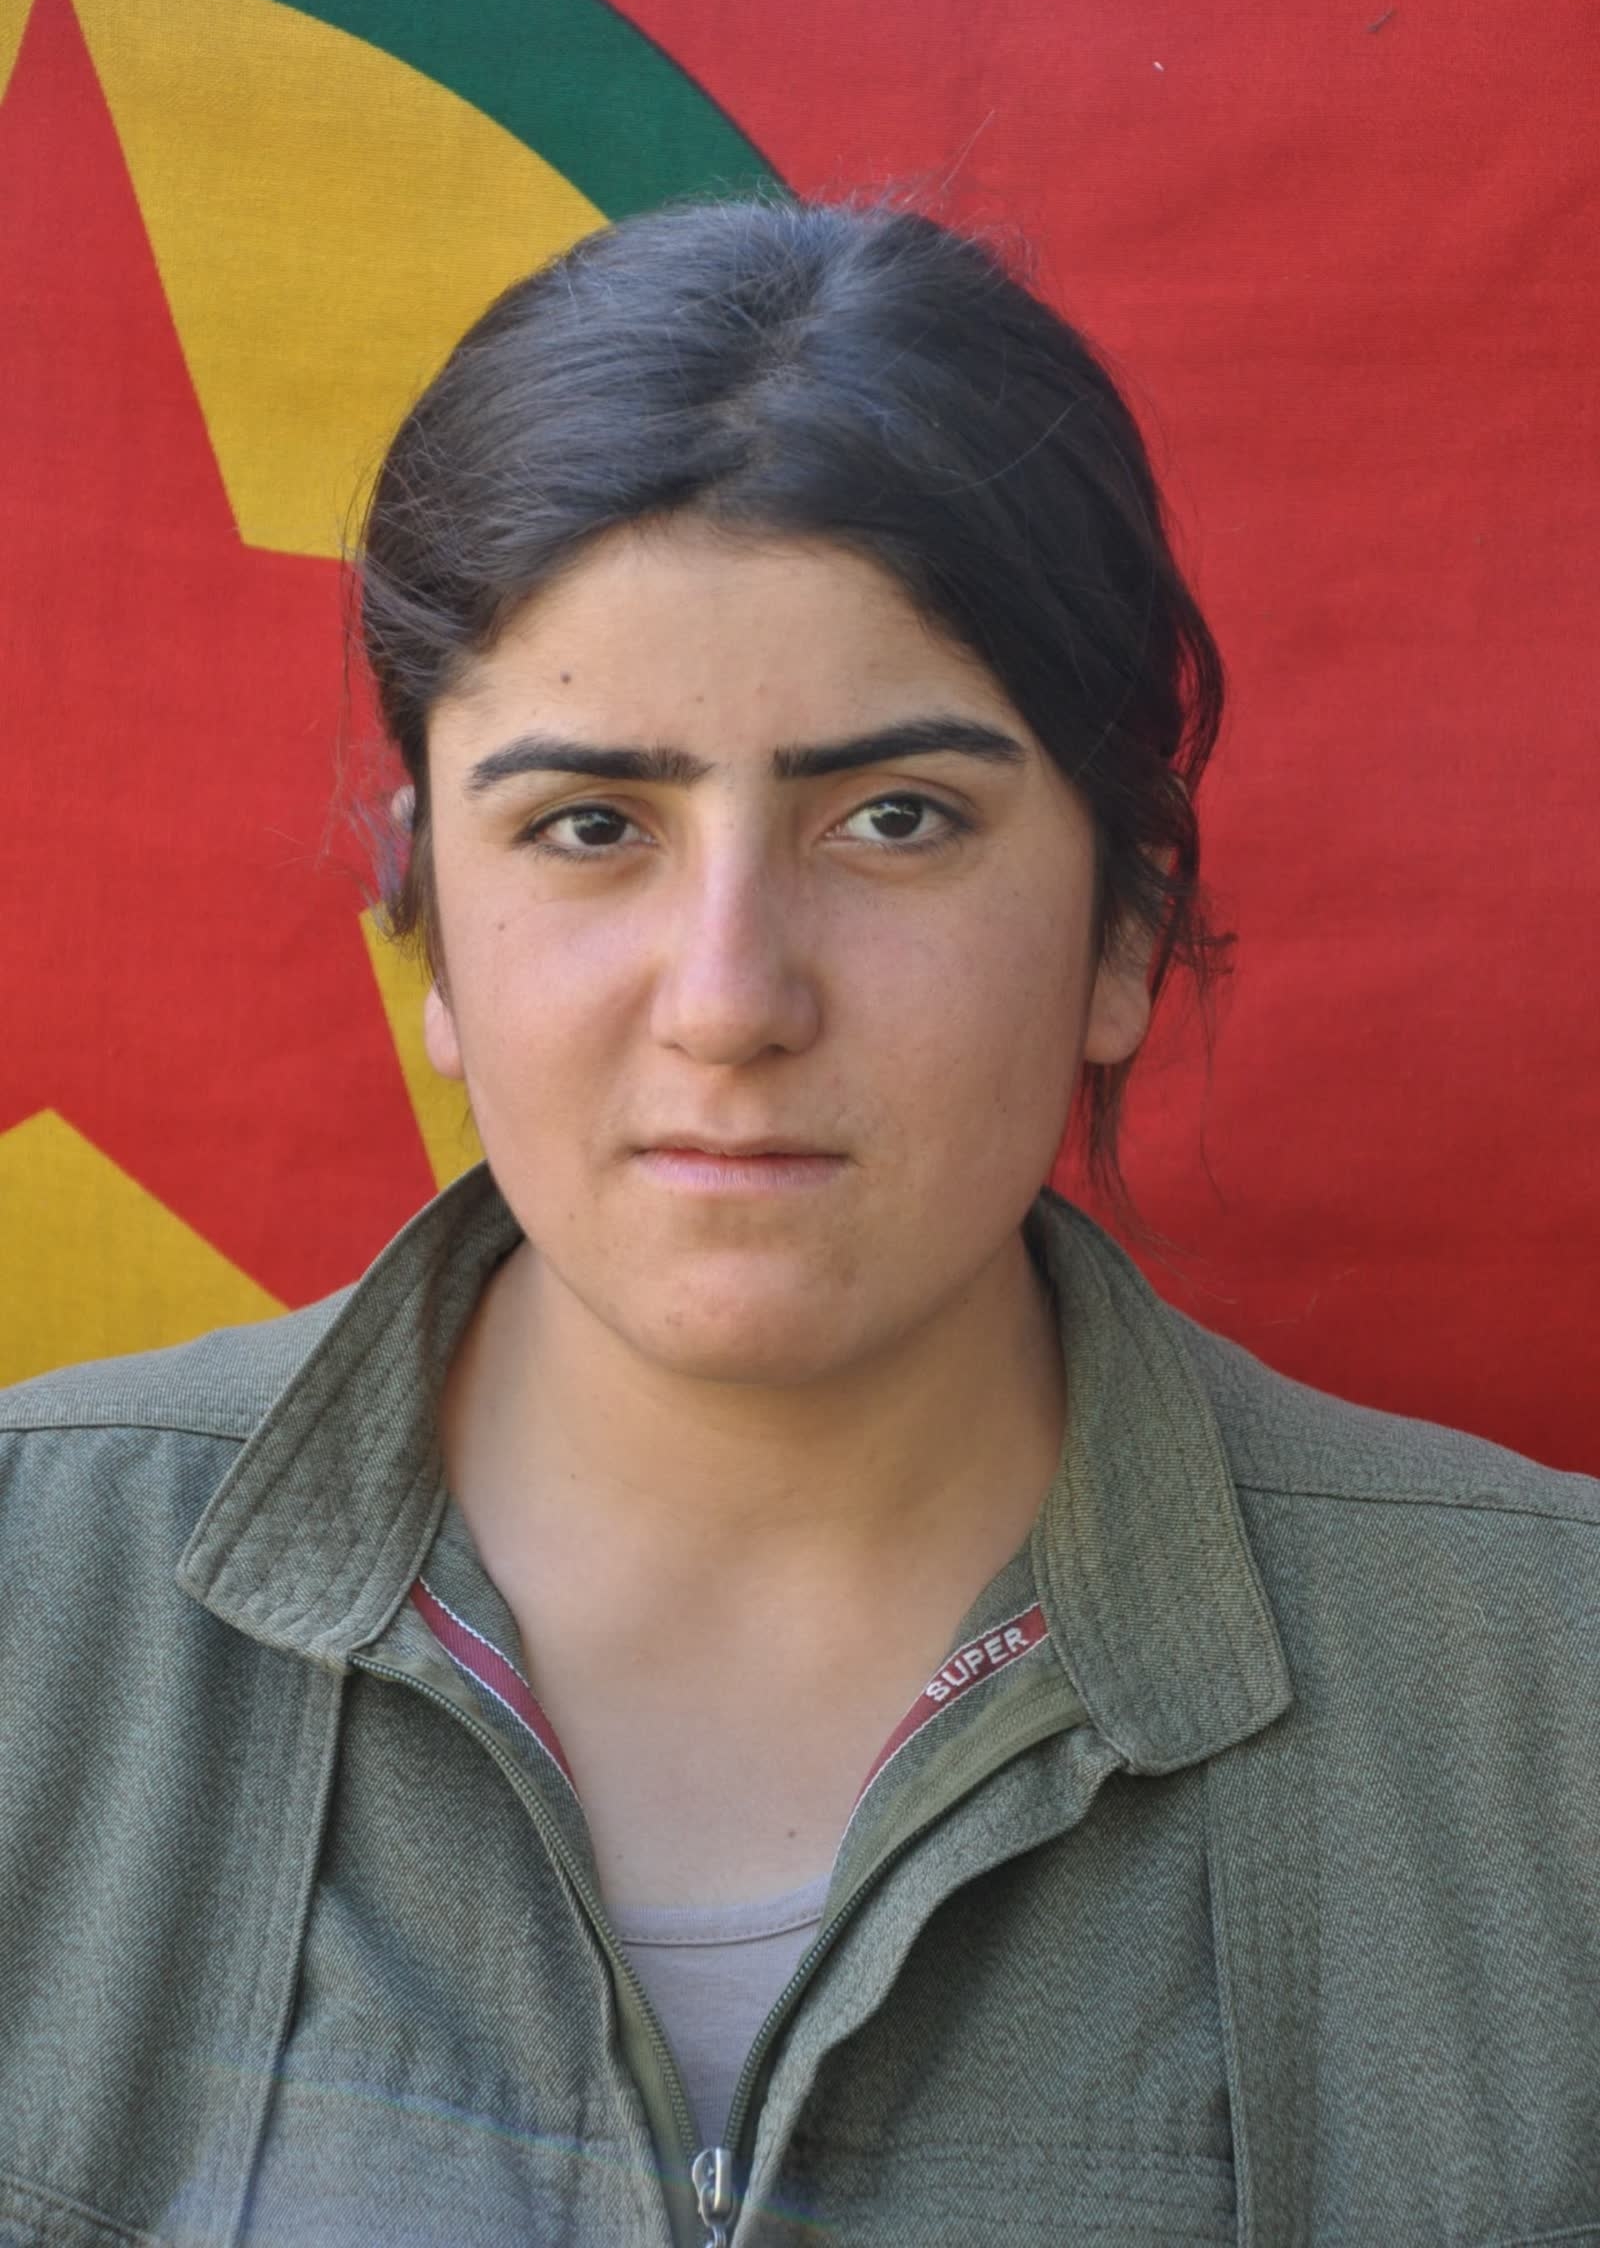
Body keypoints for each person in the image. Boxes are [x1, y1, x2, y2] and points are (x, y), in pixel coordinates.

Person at [1, 188, 1595, 2248]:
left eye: (896, 819)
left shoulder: (1544, 1713)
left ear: (1124, 927)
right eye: (592, 823)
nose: (733, 996)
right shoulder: (35, 1607)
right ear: (431, 930)